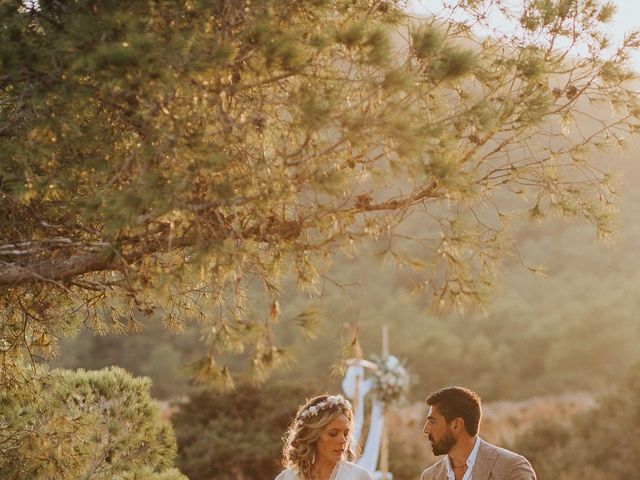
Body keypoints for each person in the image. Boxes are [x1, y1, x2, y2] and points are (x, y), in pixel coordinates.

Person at [421, 386, 536, 480]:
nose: (426, 429)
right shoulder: (429, 476)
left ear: (457, 425)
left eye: (433, 422)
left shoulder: (511, 468)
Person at [276, 394, 373, 480]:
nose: (343, 440)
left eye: (346, 434)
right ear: (313, 435)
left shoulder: (359, 477)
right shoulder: (286, 478)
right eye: (333, 434)